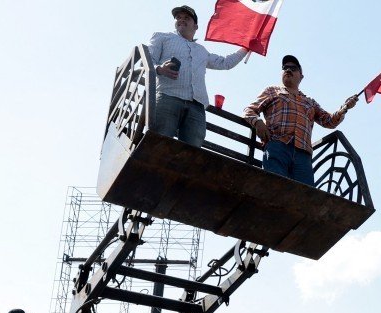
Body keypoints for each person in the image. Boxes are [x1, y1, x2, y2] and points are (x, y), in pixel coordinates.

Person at [243, 55, 359, 186]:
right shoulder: (272, 91)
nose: (288, 70)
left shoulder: (309, 102)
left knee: (305, 195)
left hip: (302, 155)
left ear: (301, 76)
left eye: (293, 68)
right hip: (277, 146)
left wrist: (345, 108)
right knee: (275, 187)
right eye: (285, 68)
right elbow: (249, 110)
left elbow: (328, 121)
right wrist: (258, 122)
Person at [148, 6, 249, 147]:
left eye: (187, 18)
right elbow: (147, 61)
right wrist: (159, 69)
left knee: (192, 153)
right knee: (158, 145)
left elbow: (225, 62)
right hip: (168, 97)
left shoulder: (202, 51)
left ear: (195, 26)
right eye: (178, 17)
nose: (181, 20)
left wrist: (246, 47)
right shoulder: (162, 37)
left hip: (197, 107)